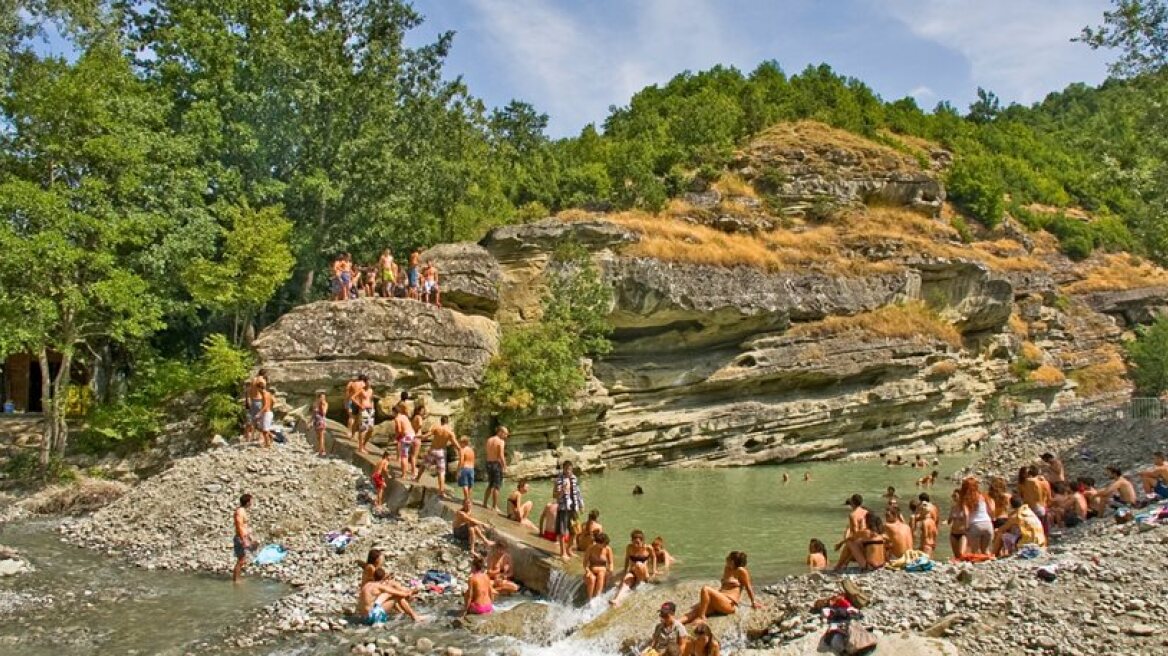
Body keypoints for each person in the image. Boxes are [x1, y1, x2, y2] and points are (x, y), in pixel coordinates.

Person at [681, 551, 759, 624]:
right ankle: (675, 623)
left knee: (705, 589)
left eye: (728, 557)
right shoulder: (727, 568)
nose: (726, 558)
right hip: (719, 601)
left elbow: (748, 587)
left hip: (729, 603)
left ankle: (702, 617)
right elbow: (724, 587)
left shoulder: (741, 571)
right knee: (694, 612)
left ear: (732, 561)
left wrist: (753, 602)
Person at [610, 529, 656, 606]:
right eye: (634, 542)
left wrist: (654, 571)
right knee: (625, 580)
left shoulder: (648, 548)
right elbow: (627, 559)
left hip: (643, 573)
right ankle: (617, 600)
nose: (635, 545)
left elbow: (654, 557)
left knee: (638, 564)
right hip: (633, 571)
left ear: (642, 541)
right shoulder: (629, 547)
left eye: (638, 542)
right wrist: (625, 571)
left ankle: (639, 583)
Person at [419, 416, 456, 497]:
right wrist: (461, 449)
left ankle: (417, 478)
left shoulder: (436, 427)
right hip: (441, 452)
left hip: (433, 450)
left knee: (424, 464)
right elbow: (455, 443)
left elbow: (426, 436)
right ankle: (441, 491)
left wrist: (418, 436)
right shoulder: (450, 432)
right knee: (441, 472)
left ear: (441, 421)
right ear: (447, 422)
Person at [554, 460, 584, 560]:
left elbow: (578, 493)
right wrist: (562, 490)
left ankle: (569, 549)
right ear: (563, 469)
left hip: (573, 507)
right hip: (563, 508)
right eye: (567, 469)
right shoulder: (559, 479)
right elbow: (555, 495)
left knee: (575, 530)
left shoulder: (574, 478)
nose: (568, 471)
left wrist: (581, 505)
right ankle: (563, 553)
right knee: (562, 532)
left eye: (570, 469)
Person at [961, 476, 995, 555]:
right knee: (986, 551)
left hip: (975, 525)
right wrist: (992, 519)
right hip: (988, 524)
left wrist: (966, 527)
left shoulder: (966, 499)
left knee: (975, 552)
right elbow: (991, 509)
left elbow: (966, 514)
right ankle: (989, 565)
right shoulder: (983, 496)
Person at [833, 494, 868, 570]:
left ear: (852, 502)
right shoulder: (866, 512)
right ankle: (843, 564)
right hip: (868, 539)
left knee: (849, 542)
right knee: (849, 542)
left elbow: (856, 532)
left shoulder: (853, 515)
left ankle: (838, 566)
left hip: (860, 542)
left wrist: (841, 543)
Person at [482, 427, 508, 512]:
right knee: (497, 486)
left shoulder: (489, 440)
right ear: (500, 432)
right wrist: (504, 466)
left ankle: (485, 503)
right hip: (496, 464)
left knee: (490, 484)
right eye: (505, 433)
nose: (506, 436)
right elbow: (501, 455)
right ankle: (494, 506)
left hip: (488, 463)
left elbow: (487, 451)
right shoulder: (501, 441)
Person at [583, 532, 614, 600]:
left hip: (602, 570)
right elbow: (585, 563)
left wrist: (611, 571)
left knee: (601, 574)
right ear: (598, 543)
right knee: (592, 579)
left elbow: (611, 563)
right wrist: (587, 571)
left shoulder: (608, 549)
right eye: (604, 544)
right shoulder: (590, 548)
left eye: (606, 544)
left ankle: (597, 597)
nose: (606, 545)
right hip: (592, 569)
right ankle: (590, 599)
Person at [232, 493, 255, 583]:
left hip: (244, 537)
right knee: (241, 560)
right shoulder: (240, 511)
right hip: (240, 538)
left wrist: (250, 537)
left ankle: (238, 578)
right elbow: (239, 525)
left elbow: (244, 526)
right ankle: (236, 581)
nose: (252, 503)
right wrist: (243, 539)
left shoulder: (243, 511)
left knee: (242, 559)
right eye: (251, 501)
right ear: (247, 502)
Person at [408, 398, 429, 476]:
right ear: (419, 410)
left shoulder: (414, 417)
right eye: (422, 410)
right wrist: (419, 430)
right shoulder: (419, 417)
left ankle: (412, 469)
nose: (423, 412)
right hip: (417, 438)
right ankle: (413, 471)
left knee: (412, 455)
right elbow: (420, 424)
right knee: (414, 456)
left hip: (412, 437)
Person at [393, 402, 415, 476]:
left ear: (394, 412)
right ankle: (408, 470)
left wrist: (397, 436)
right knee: (407, 454)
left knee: (403, 456)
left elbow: (399, 430)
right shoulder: (404, 416)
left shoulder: (397, 418)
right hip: (412, 435)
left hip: (406, 436)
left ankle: (404, 474)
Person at [947, 489, 968, 559]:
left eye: (955, 496)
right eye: (953, 496)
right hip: (953, 533)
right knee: (956, 555)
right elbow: (949, 521)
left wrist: (967, 529)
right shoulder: (953, 508)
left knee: (961, 553)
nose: (954, 497)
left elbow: (968, 518)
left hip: (963, 533)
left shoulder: (965, 507)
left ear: (960, 496)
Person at [344, 375, 365, 442]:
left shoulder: (353, 383)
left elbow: (347, 393)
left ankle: (349, 432)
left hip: (352, 401)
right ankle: (354, 435)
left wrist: (346, 401)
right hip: (359, 402)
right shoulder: (364, 384)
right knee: (357, 419)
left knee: (351, 417)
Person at [457, 437, 476, 505]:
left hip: (464, 468)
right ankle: (469, 499)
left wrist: (458, 471)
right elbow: (474, 460)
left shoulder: (462, 450)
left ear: (464, 443)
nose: (459, 444)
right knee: (470, 485)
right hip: (471, 469)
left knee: (465, 484)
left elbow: (461, 460)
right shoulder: (471, 450)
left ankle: (466, 499)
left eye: (460, 443)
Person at [311, 390, 328, 456]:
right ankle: (322, 449)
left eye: (324, 397)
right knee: (318, 436)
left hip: (321, 421)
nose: (323, 399)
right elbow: (313, 414)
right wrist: (310, 421)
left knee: (321, 436)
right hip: (316, 420)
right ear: (319, 398)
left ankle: (320, 451)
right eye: (322, 397)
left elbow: (324, 413)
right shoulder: (315, 404)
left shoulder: (325, 404)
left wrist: (321, 405)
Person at [258, 380, 274, 448]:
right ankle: (271, 437)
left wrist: (259, 413)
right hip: (268, 412)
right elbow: (274, 401)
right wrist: (271, 408)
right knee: (262, 429)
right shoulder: (269, 393)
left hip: (266, 414)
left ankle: (268, 444)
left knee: (264, 431)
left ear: (259, 388)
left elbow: (265, 405)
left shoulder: (264, 394)